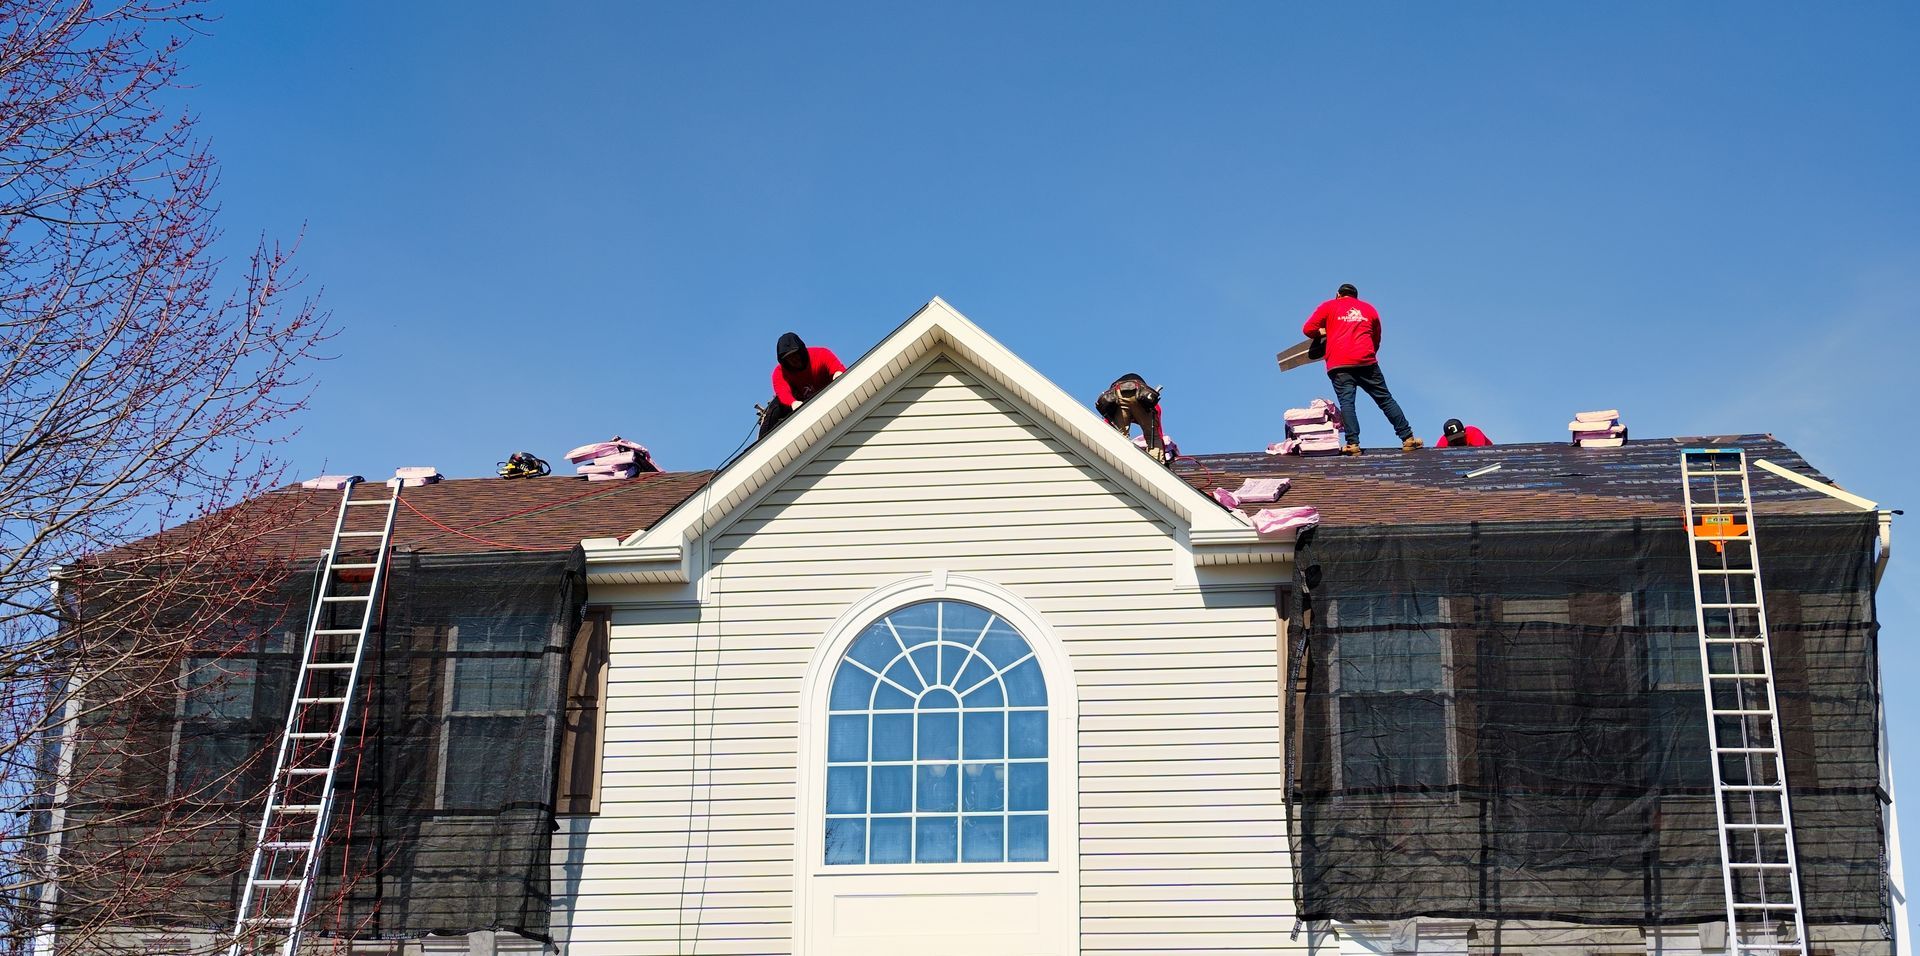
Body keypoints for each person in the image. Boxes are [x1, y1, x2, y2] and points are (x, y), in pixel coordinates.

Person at [1301, 283, 1420, 455]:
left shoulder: (1329, 306)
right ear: (1356, 296)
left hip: (1339, 363)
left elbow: (1308, 329)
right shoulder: (1369, 309)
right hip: (1366, 362)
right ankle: (1408, 438)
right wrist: (1367, 355)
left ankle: (1353, 444)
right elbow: (1376, 338)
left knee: (1347, 403)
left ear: (1338, 294)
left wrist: (1325, 331)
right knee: (1385, 399)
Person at [760, 332, 846, 438]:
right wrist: (793, 403)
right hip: (799, 407)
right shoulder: (780, 373)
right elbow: (783, 392)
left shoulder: (821, 354)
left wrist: (838, 378)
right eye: (789, 358)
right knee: (775, 407)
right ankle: (764, 441)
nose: (794, 359)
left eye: (795, 354)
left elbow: (837, 368)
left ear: (802, 351)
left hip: (829, 399)